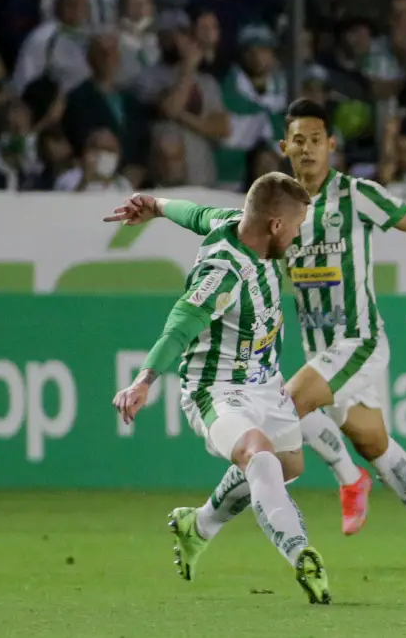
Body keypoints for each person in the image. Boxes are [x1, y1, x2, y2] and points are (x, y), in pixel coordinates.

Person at [107, 99, 406, 570]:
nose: (308, 149)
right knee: (372, 440)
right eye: (300, 140)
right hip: (317, 346)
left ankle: (346, 480)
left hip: (356, 339)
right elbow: (203, 215)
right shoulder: (275, 207)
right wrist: (159, 206)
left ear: (331, 144)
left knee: (280, 411)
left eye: (317, 140)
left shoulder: (356, 196)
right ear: (285, 146)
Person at [108, 172, 331, 604]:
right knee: (260, 458)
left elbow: (193, 213)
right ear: (275, 226)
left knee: (288, 466)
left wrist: (154, 204)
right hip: (217, 390)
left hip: (266, 382)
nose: (300, 236)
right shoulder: (222, 273)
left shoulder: (232, 221)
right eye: (298, 227)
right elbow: (179, 326)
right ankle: (302, 554)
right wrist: (144, 380)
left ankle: (200, 525)